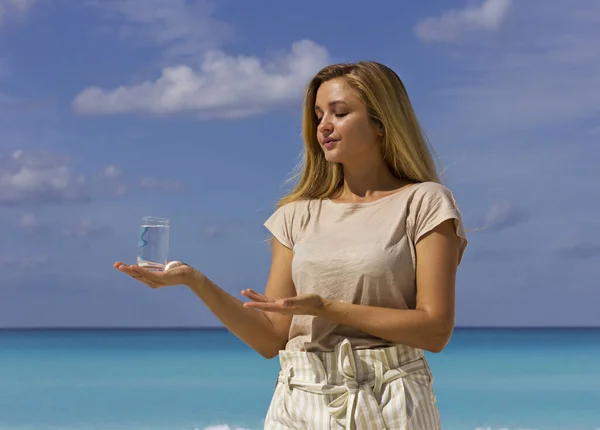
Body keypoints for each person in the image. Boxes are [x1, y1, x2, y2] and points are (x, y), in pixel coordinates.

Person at [114, 61, 468, 430]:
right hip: (299, 399)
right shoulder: (295, 215)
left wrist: (326, 308)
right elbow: (271, 338)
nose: (324, 126)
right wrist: (195, 281)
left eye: (340, 112)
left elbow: (434, 330)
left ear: (381, 124)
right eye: (318, 116)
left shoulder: (425, 202)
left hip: (391, 400)